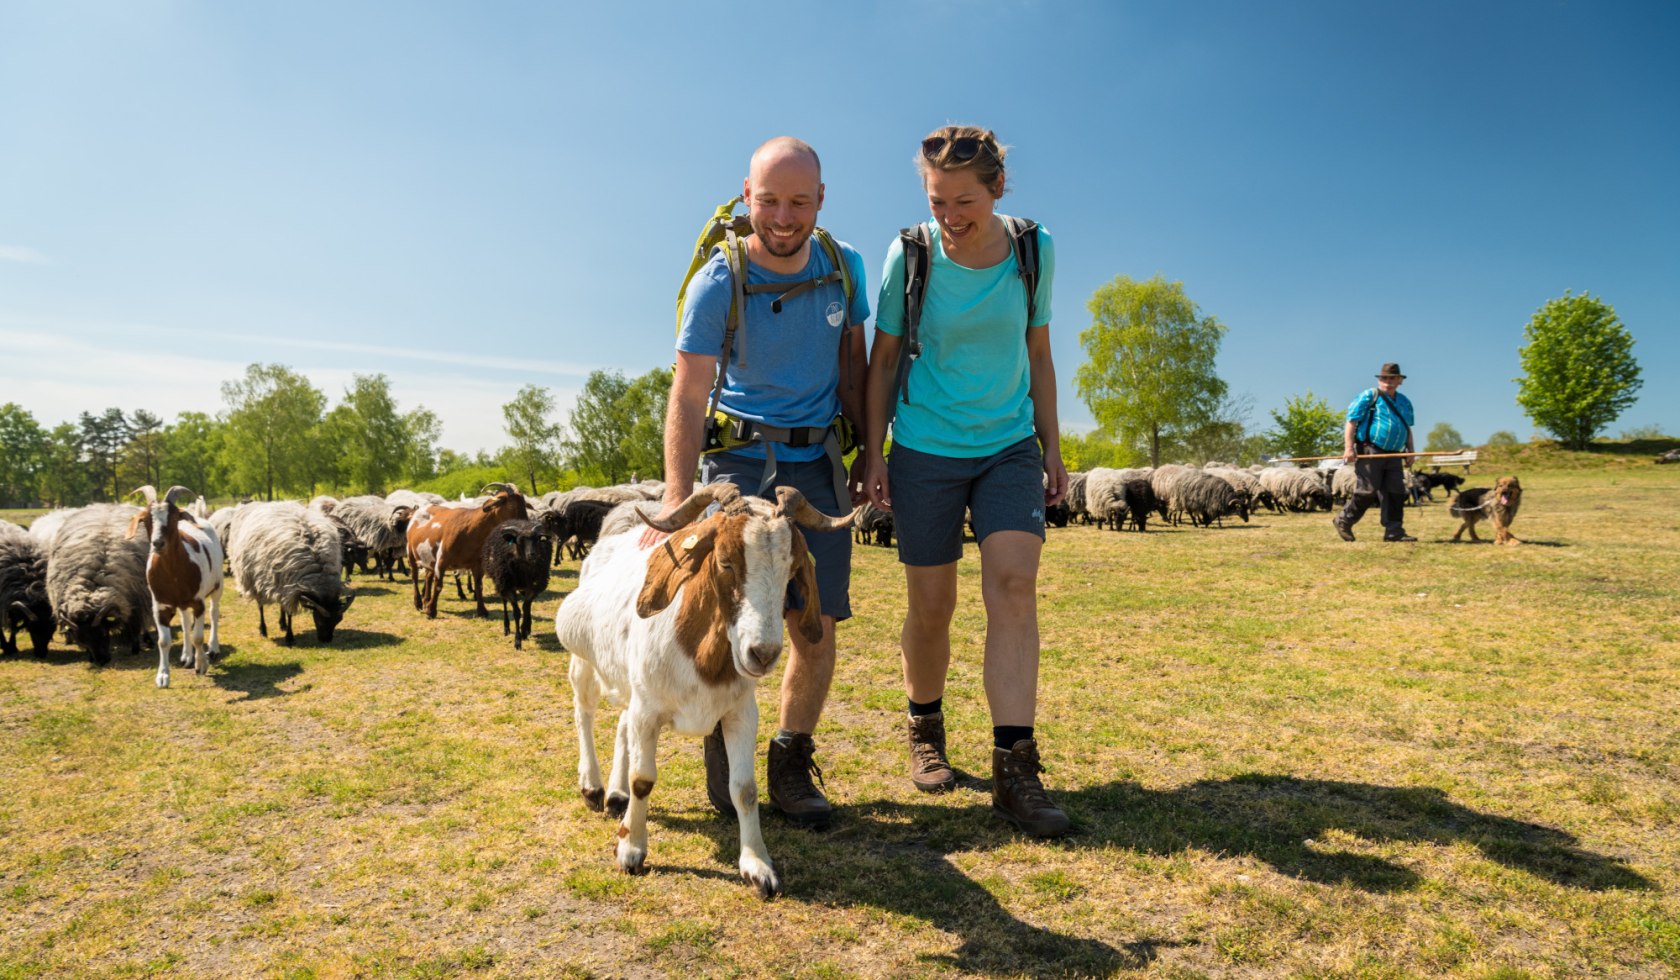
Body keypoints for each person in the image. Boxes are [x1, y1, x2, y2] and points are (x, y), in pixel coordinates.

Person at [646, 137, 869, 829]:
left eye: (799, 201)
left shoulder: (843, 268)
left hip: (817, 465)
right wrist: (678, 495)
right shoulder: (721, 279)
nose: (783, 215)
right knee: (730, 613)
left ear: (820, 202)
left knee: (815, 620)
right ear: (747, 196)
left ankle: (791, 757)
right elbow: (687, 395)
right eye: (769, 200)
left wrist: (872, 454)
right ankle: (724, 741)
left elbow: (854, 368)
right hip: (737, 466)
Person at [860, 125, 1071, 838]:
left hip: (1008, 444)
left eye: (965, 201)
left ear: (997, 190)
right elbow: (883, 360)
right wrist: (874, 451)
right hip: (924, 447)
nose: (950, 216)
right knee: (933, 604)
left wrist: (1052, 445)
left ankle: (1016, 766)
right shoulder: (911, 254)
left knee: (1013, 585)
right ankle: (924, 725)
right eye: (937, 200)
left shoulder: (1035, 251)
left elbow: (1038, 352)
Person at [1333, 362, 1417, 543]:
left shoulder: (1404, 402)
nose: (1388, 381)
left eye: (1392, 378)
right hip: (1371, 450)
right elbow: (1351, 422)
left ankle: (1394, 531)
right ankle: (1344, 520)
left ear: (1399, 381)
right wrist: (1348, 448)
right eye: (1385, 378)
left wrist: (1411, 451)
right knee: (1367, 491)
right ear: (1380, 380)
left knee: (1396, 492)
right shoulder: (1370, 396)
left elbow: (1407, 427)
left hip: (1394, 453)